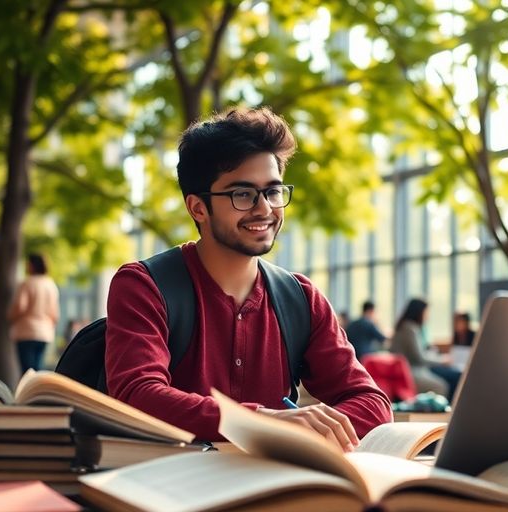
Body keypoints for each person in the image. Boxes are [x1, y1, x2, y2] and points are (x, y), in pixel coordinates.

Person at [105, 108, 391, 450]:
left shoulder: (300, 297)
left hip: (275, 489)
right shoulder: (144, 285)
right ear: (198, 208)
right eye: (242, 194)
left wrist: (297, 430)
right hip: (170, 489)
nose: (264, 209)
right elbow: (138, 396)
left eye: (272, 191)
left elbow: (372, 403)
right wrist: (261, 422)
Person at [389, 298, 462, 400]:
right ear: (419, 312)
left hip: (413, 368)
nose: (427, 316)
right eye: (426, 312)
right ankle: (444, 413)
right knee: (443, 385)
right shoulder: (410, 329)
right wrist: (442, 360)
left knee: (452, 375)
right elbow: (420, 358)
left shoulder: (406, 326)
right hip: (412, 371)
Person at [8, 253, 60, 373]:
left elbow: (21, 306)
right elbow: (55, 313)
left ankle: (28, 392)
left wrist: (10, 316)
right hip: (45, 332)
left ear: (32, 265)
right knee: (37, 367)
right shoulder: (51, 285)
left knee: (27, 370)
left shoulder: (27, 283)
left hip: (26, 331)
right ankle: (38, 391)